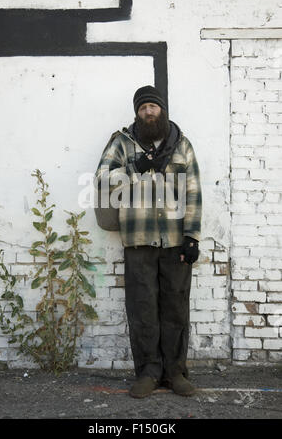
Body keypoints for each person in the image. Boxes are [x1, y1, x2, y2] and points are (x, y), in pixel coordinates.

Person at [94, 85, 202, 398]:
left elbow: (193, 191)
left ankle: (175, 373)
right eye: (142, 108)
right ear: (137, 113)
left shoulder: (182, 145)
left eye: (153, 107)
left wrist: (191, 237)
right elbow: (101, 180)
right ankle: (148, 373)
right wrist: (132, 169)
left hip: (174, 242)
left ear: (162, 109)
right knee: (143, 311)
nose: (148, 112)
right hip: (138, 241)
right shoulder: (123, 143)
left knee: (175, 309)